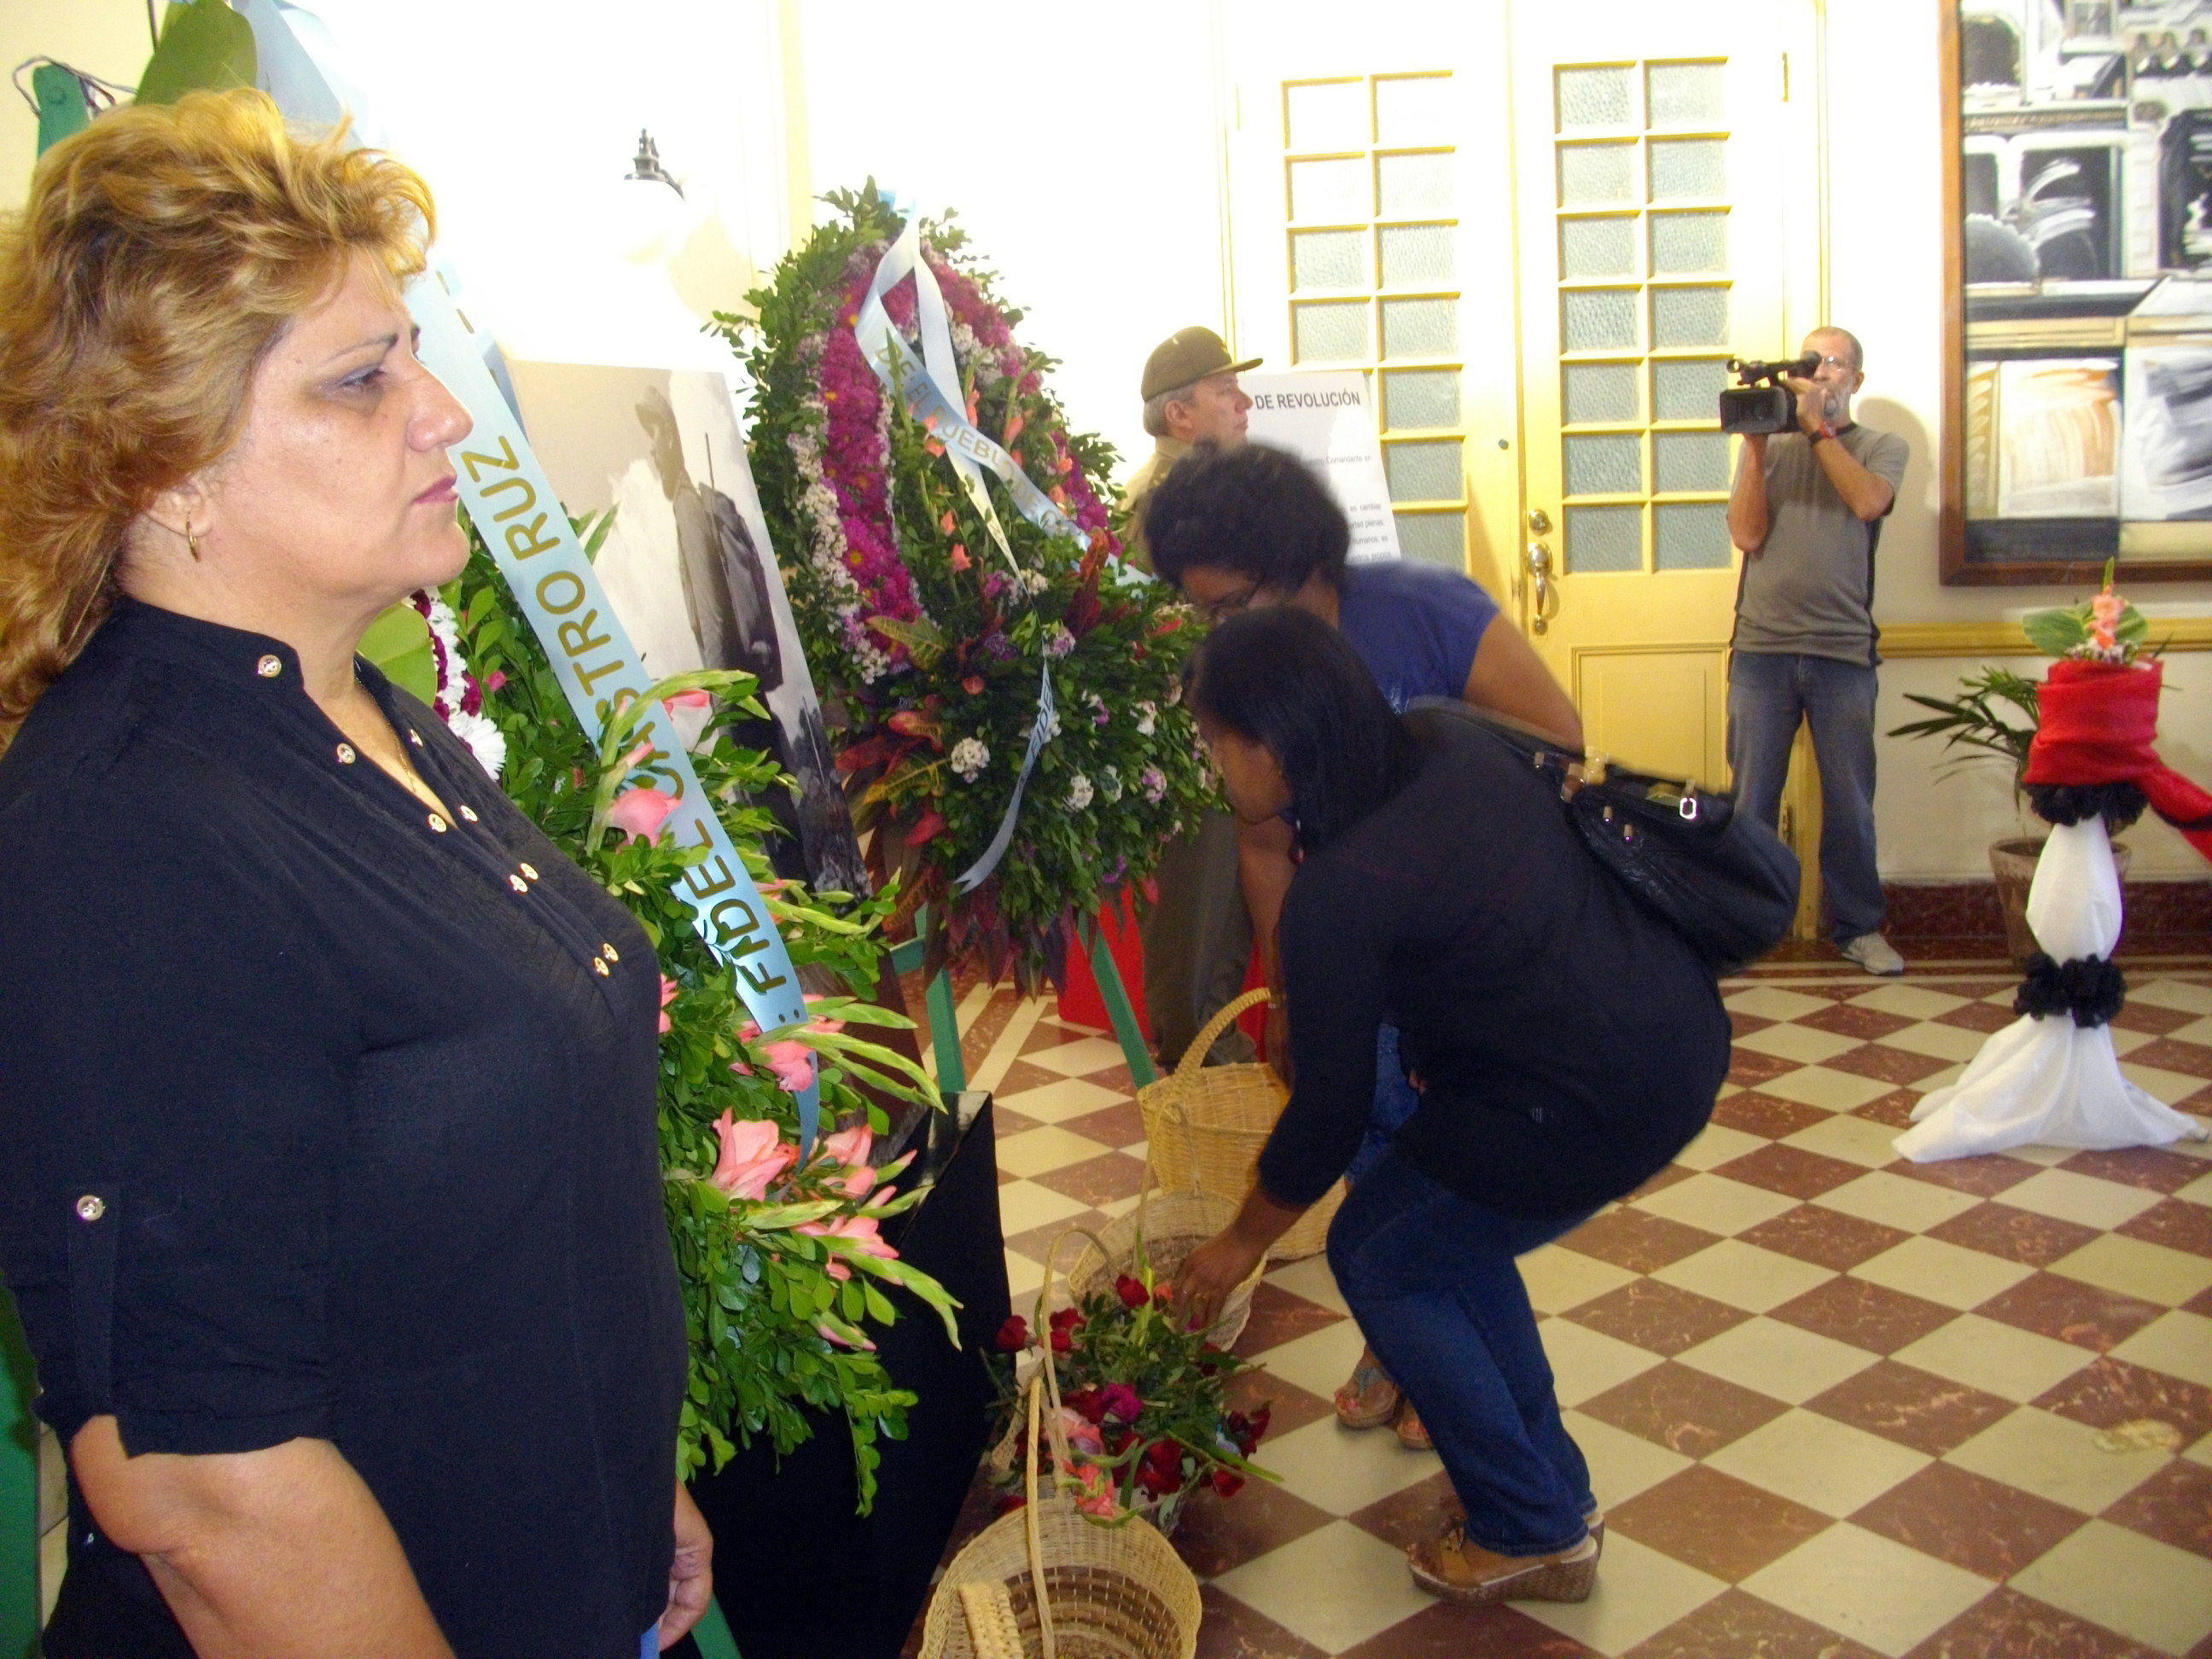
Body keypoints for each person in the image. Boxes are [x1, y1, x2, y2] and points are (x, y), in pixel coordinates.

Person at [0, 91, 707, 1658]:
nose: (442, 411)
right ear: (161, 465)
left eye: (413, 354)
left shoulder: (349, 708)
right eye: (360, 380)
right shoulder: (127, 834)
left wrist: (617, 1477)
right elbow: (202, 1488)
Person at [1171, 608, 1729, 1606]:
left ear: (1270, 743)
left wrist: (1235, 1247)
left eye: (1215, 742)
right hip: (1670, 1034)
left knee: (1377, 1254)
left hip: (1586, 1096)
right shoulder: (1446, 736)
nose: (1217, 771)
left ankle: (1530, 1526)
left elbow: (1327, 1118)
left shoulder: (1333, 894)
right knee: (1433, 1232)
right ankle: (1551, 1493)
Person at [1144, 443, 1581, 1448]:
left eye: (1231, 603)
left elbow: (1560, 745)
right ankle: (1413, 1344)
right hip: (1350, 962)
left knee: (1435, 1183)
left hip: (1455, 961)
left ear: (1301, 559)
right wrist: (1290, 997)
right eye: (1202, 612)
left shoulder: (1425, 610)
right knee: (1378, 1162)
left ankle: (1452, 1369)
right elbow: (1263, 845)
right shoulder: (1248, 670)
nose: (1219, 630)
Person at [1726, 326, 1912, 976]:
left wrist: (1814, 430)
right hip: (1761, 650)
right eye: (1811, 363)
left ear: (1856, 380)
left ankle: (1859, 928)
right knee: (1750, 801)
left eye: (1833, 365)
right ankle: (1744, 927)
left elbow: (1867, 502)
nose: (1821, 374)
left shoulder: (1883, 446)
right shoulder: (1770, 449)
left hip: (1842, 654)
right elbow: (1746, 535)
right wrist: (1754, 449)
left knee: (1850, 803)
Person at [1121, 326, 1261, 1069]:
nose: (1243, 403)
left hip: (1217, 733)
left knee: (1216, 923)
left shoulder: (1192, 492)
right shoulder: (1167, 501)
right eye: (1224, 391)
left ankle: (1208, 1061)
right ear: (1180, 415)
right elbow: (1161, 633)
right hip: (1194, 742)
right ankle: (1200, 1076)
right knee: (1198, 924)